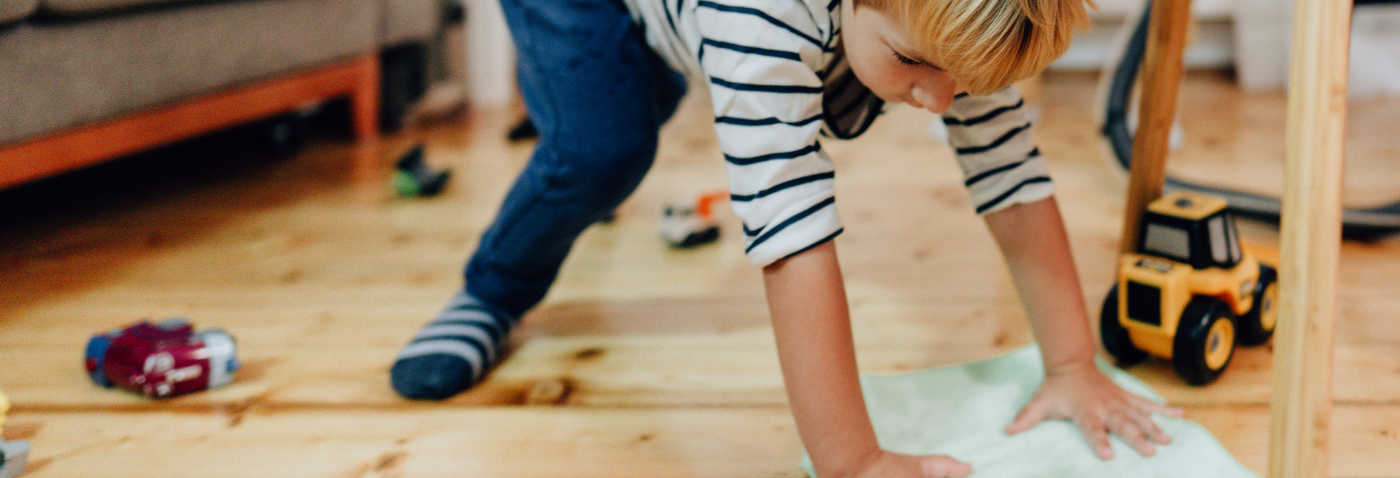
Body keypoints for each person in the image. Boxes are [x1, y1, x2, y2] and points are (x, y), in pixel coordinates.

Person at [389, 0, 1186, 476]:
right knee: (602, 149)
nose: (940, 103)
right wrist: (853, 462)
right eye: (914, 64)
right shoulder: (760, 18)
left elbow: (1012, 179)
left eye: (968, 85)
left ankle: (638, 74)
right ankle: (491, 289)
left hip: (717, 24)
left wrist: (1075, 363)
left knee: (638, 96)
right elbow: (791, 234)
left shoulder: (955, 28)